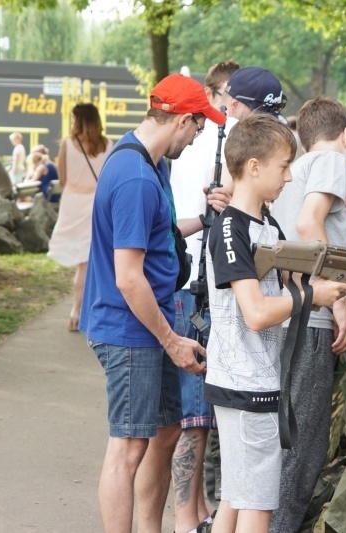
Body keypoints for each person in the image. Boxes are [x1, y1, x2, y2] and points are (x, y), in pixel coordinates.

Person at [80, 73, 226, 532]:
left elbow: (156, 234)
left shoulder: (151, 162)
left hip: (149, 325)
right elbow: (129, 277)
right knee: (128, 447)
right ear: (182, 119)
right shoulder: (137, 178)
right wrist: (172, 341)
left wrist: (205, 218)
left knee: (164, 433)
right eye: (199, 125)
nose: (199, 135)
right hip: (130, 330)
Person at [202, 113, 346, 533]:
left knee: (235, 499)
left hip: (249, 380)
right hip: (247, 384)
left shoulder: (266, 224)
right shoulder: (232, 228)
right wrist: (314, 296)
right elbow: (256, 313)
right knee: (258, 507)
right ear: (254, 167)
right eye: (284, 166)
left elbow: (299, 278)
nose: (289, 177)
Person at [270, 96, 346, 533]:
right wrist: (340, 305)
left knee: (287, 439)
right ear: (345, 135)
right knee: (304, 444)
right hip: (310, 321)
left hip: (287, 315)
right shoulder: (332, 160)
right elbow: (310, 226)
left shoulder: (297, 169)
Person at [168, 59, 239, 533]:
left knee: (198, 414)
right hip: (192, 289)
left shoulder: (209, 141)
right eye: (228, 96)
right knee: (193, 414)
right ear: (211, 96)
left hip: (200, 284)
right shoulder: (204, 144)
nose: (232, 108)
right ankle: (185, 519)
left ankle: (193, 514)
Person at [48, 103, 112, 332]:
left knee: (82, 262)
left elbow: (63, 179)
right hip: (97, 204)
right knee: (92, 260)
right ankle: (85, 309)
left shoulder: (67, 143)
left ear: (78, 120)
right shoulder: (108, 145)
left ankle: (76, 311)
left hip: (73, 204)